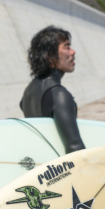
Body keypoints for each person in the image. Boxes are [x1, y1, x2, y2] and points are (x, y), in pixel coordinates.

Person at [20, 25, 85, 154]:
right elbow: (74, 147)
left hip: (44, 166)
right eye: (67, 47)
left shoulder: (28, 92)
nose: (73, 52)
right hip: (61, 168)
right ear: (50, 56)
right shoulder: (59, 94)